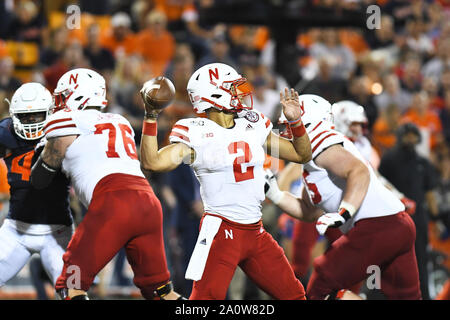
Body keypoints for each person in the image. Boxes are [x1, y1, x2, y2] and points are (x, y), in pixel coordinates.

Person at [139, 62, 312, 300]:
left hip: (256, 231)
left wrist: (295, 122)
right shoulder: (195, 132)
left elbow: (301, 154)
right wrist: (150, 117)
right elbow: (153, 163)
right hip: (221, 230)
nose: (238, 92)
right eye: (231, 88)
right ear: (213, 94)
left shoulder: (251, 123)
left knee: (295, 297)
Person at [30, 68, 182, 300]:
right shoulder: (119, 121)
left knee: (71, 286)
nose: (58, 103)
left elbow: (40, 179)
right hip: (148, 202)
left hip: (113, 201)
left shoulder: (67, 120)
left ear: (75, 96)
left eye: (62, 96)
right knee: (160, 292)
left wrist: (40, 153)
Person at [264, 94, 421, 300]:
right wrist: (274, 192)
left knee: (321, 282)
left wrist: (344, 212)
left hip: (377, 226)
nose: (285, 134)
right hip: (398, 225)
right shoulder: (313, 160)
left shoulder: (321, 142)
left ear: (309, 122)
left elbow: (358, 172)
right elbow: (308, 211)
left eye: (289, 126)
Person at [0, 82, 74, 292]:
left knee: (74, 291)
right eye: (25, 116)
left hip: (58, 231)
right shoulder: (5, 133)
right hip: (16, 229)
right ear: (14, 115)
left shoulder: (63, 132)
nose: (32, 121)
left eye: (37, 116)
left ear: (50, 113)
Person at [378, 123, 440, 300]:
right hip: (394, 220)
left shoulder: (423, 162)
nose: (411, 139)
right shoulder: (389, 160)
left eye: (413, 135)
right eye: (407, 135)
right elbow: (380, 187)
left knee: (421, 261)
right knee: (391, 262)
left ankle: (423, 296)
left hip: (418, 220)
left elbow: (429, 193)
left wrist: (434, 217)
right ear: (400, 136)